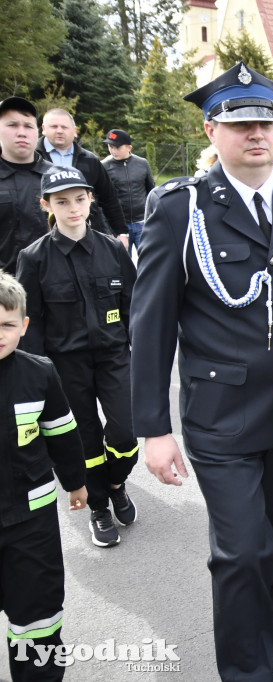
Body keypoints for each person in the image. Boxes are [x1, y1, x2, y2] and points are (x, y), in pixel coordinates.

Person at [129, 62, 273, 679]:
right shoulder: (180, 210)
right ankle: (246, 670)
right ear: (212, 130)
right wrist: (153, 429)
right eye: (240, 124)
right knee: (239, 552)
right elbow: (150, 323)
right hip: (222, 416)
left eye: (264, 121)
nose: (255, 134)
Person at [16, 165, 138, 549]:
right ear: (46, 205)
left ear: (90, 200)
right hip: (65, 365)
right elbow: (30, 323)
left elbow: (134, 306)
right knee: (84, 438)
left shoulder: (113, 249)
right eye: (62, 201)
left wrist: (142, 353)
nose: (73, 208)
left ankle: (117, 482)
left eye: (80, 199)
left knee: (125, 432)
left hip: (114, 357)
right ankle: (100, 506)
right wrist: (36, 375)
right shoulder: (34, 258)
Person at [0, 270, 88, 681]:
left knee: (38, 619)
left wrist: (75, 482)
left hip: (30, 524)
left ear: (24, 326)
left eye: (6, 324)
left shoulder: (39, 373)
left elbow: (64, 434)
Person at [37, 109, 127, 246]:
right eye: (54, 126)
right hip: (43, 238)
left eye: (64, 127)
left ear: (74, 131)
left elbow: (109, 198)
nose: (59, 131)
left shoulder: (90, 161)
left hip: (87, 235)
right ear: (44, 128)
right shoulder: (32, 159)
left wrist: (121, 233)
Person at [0, 96, 52, 272]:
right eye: (12, 125)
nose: (21, 132)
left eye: (28, 126)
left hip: (55, 285)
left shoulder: (57, 176)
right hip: (5, 289)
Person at [102, 129, 155, 255]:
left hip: (142, 223)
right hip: (119, 226)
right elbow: (101, 200)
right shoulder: (103, 167)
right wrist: (107, 228)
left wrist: (152, 218)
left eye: (117, 147)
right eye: (110, 147)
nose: (113, 151)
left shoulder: (142, 163)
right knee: (123, 264)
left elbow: (151, 192)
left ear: (129, 147)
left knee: (148, 260)